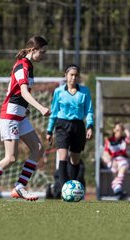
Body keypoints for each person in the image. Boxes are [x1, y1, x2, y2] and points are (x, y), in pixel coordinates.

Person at [0, 35, 51, 201]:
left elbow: (20, 94)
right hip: (10, 116)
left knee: (37, 148)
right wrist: (41, 107)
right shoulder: (22, 65)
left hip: (19, 115)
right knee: (11, 158)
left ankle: (20, 187)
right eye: (42, 52)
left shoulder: (28, 66)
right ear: (32, 50)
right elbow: (23, 92)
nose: (44, 55)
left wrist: (25, 109)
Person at [45, 64, 93, 196]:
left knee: (75, 159)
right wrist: (49, 131)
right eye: (71, 75)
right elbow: (54, 112)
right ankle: (64, 189)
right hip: (62, 126)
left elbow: (89, 111)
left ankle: (72, 187)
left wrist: (90, 125)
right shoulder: (58, 91)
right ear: (66, 76)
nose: (73, 77)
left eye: (76, 75)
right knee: (63, 156)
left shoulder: (85, 91)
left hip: (78, 126)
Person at [101, 122, 130, 200]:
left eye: (120, 130)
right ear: (113, 130)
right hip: (113, 160)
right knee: (114, 167)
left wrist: (126, 131)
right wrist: (111, 159)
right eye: (117, 130)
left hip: (122, 159)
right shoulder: (109, 140)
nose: (118, 132)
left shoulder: (123, 140)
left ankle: (116, 187)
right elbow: (106, 152)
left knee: (122, 166)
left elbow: (129, 139)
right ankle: (118, 190)